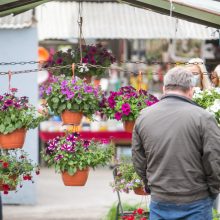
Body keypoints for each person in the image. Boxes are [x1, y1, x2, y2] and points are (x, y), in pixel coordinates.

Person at [132, 66, 220, 220]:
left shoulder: (144, 117)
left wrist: (150, 184)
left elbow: (138, 160)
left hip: (160, 200)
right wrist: (213, 190)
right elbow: (214, 160)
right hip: (197, 201)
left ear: (164, 88)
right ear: (191, 89)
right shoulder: (204, 118)